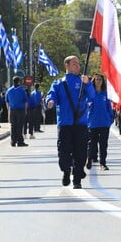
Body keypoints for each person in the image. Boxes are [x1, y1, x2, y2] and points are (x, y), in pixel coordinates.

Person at [46, 55, 95, 189]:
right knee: (63, 151)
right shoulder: (59, 83)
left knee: (81, 152)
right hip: (65, 123)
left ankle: (77, 178)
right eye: (74, 63)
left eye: (78, 64)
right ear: (66, 65)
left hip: (80, 122)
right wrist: (50, 101)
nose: (78, 66)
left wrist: (88, 84)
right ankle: (66, 170)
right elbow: (52, 95)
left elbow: (92, 96)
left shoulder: (83, 82)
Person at [87, 73, 114, 171]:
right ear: (93, 81)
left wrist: (110, 118)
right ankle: (89, 158)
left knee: (103, 144)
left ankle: (103, 163)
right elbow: (87, 105)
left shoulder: (105, 93)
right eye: (97, 79)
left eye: (100, 80)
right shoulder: (90, 93)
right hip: (92, 122)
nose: (98, 81)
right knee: (92, 143)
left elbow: (109, 107)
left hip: (104, 123)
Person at [6, 76, 29, 147]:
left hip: (12, 110)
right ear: (19, 82)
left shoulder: (9, 90)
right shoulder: (22, 90)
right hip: (20, 110)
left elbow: (7, 102)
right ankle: (20, 141)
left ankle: (13, 141)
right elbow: (25, 102)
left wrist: (9, 111)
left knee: (13, 126)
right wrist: (25, 110)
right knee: (20, 126)